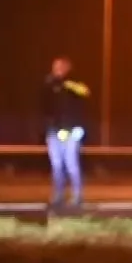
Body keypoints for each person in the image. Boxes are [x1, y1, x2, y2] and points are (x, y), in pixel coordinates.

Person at [39, 57, 89, 211]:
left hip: (71, 129)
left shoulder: (73, 83)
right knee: (57, 165)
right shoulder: (49, 84)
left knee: (71, 163)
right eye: (55, 66)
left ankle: (77, 195)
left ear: (68, 68)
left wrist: (67, 84)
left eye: (61, 66)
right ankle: (58, 196)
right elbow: (43, 106)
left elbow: (85, 92)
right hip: (54, 130)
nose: (57, 69)